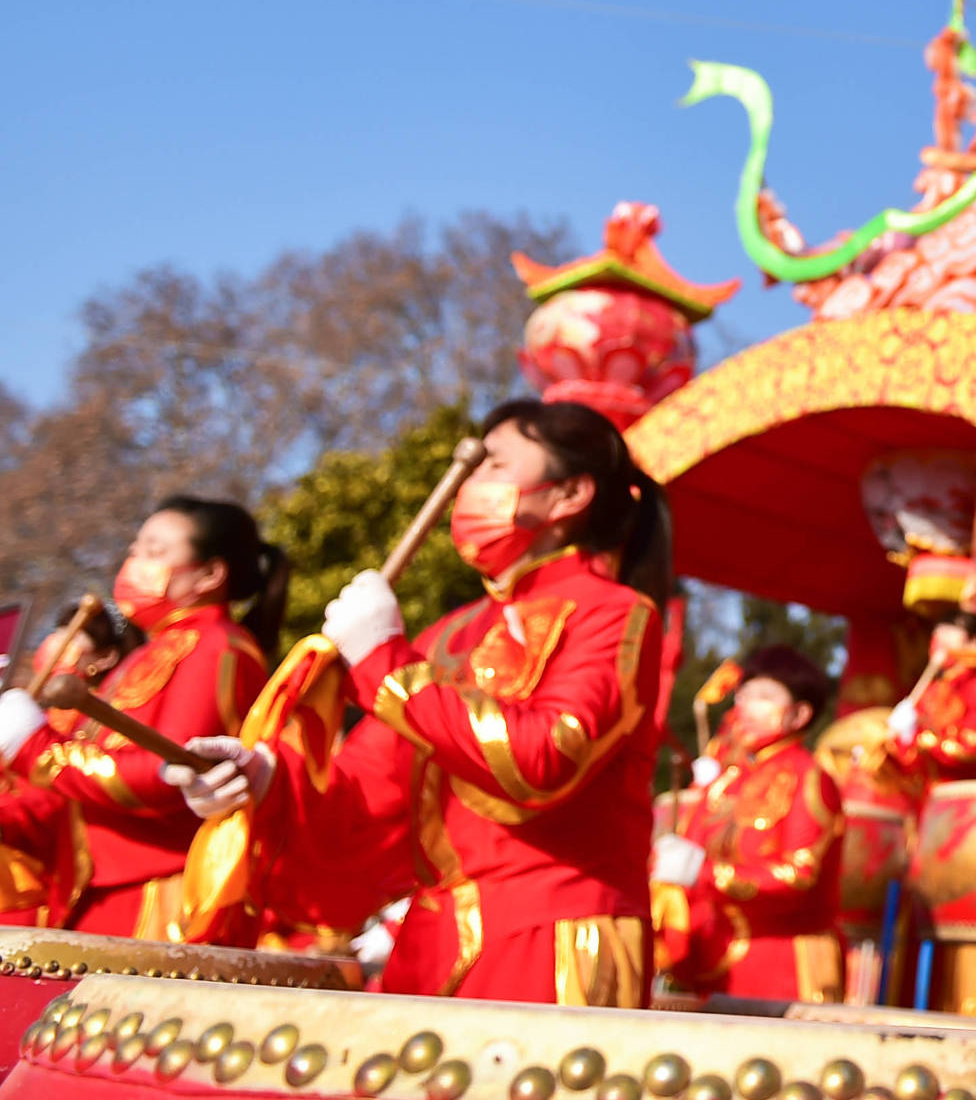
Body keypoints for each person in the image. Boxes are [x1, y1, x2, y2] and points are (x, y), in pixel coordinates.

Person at [170, 400, 667, 1005]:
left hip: (559, 938)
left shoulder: (615, 614)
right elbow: (366, 795)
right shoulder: (452, 635)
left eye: (492, 465)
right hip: (432, 945)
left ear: (569, 496)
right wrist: (263, 781)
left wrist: (385, 663)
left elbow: (545, 759)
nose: (468, 485)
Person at [0, 499, 280, 937]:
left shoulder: (217, 646)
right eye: (135, 550)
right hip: (98, 887)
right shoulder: (152, 653)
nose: (133, 563)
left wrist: (37, 750)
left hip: (162, 897)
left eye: (154, 552)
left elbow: (171, 771)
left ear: (210, 574)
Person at [651, 643, 846, 1002]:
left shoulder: (809, 776)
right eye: (745, 694)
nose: (746, 706)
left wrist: (707, 875)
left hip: (785, 966)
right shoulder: (727, 778)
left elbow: (801, 874)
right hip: (713, 962)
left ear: (800, 713)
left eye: (765, 696)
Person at [0, 607, 135, 927]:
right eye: (57, 632)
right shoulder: (35, 715)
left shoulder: (100, 721)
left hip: (31, 885)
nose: (55, 642)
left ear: (103, 658)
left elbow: (58, 800)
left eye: (72, 636)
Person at [885, 608, 976, 783]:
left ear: (975, 641)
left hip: (962, 793)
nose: (939, 636)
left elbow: (970, 748)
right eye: (937, 630)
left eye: (949, 630)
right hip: (928, 793)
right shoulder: (930, 690)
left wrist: (922, 740)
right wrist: (901, 739)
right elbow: (909, 761)